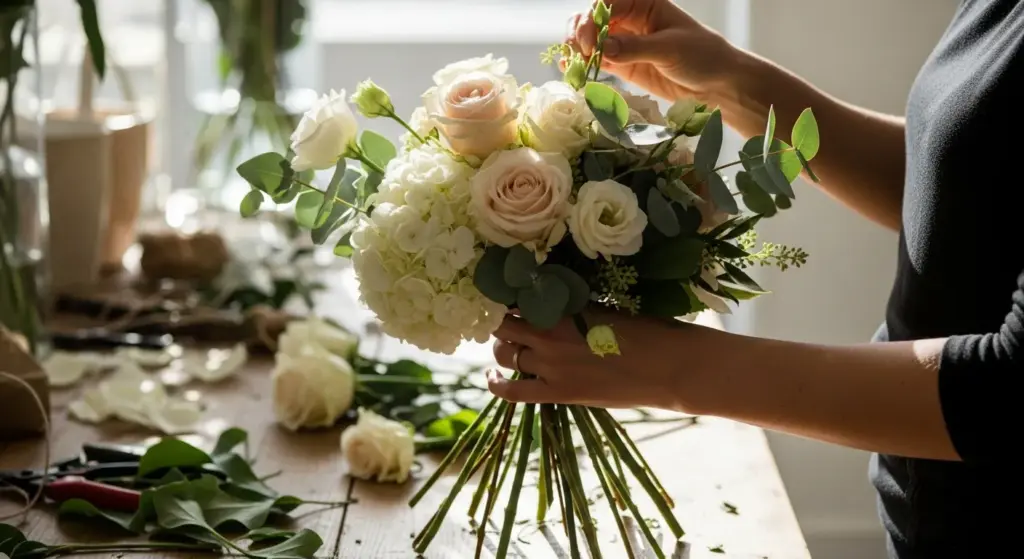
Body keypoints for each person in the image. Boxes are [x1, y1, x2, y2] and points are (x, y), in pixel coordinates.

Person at [485, 1, 1022, 557]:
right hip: (930, 509)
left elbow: (1008, 394)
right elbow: (976, 190)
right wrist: (728, 81)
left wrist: (662, 367)